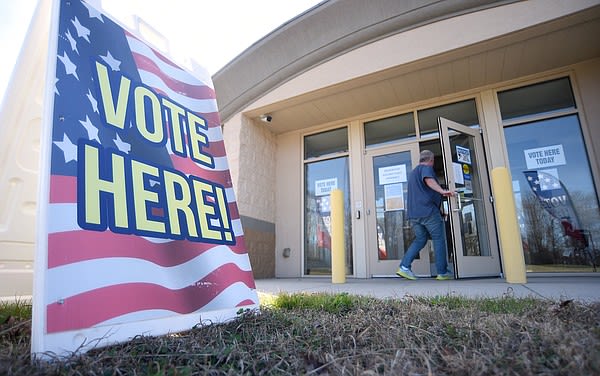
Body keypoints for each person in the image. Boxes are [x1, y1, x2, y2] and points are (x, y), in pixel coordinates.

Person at [396, 150, 455, 280]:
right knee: (439, 239)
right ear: (431, 160)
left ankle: (404, 267)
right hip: (428, 212)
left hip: (414, 214)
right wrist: (443, 191)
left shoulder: (413, 173)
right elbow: (428, 180)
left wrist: (440, 211)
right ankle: (442, 272)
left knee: (420, 240)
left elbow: (423, 193)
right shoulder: (426, 168)